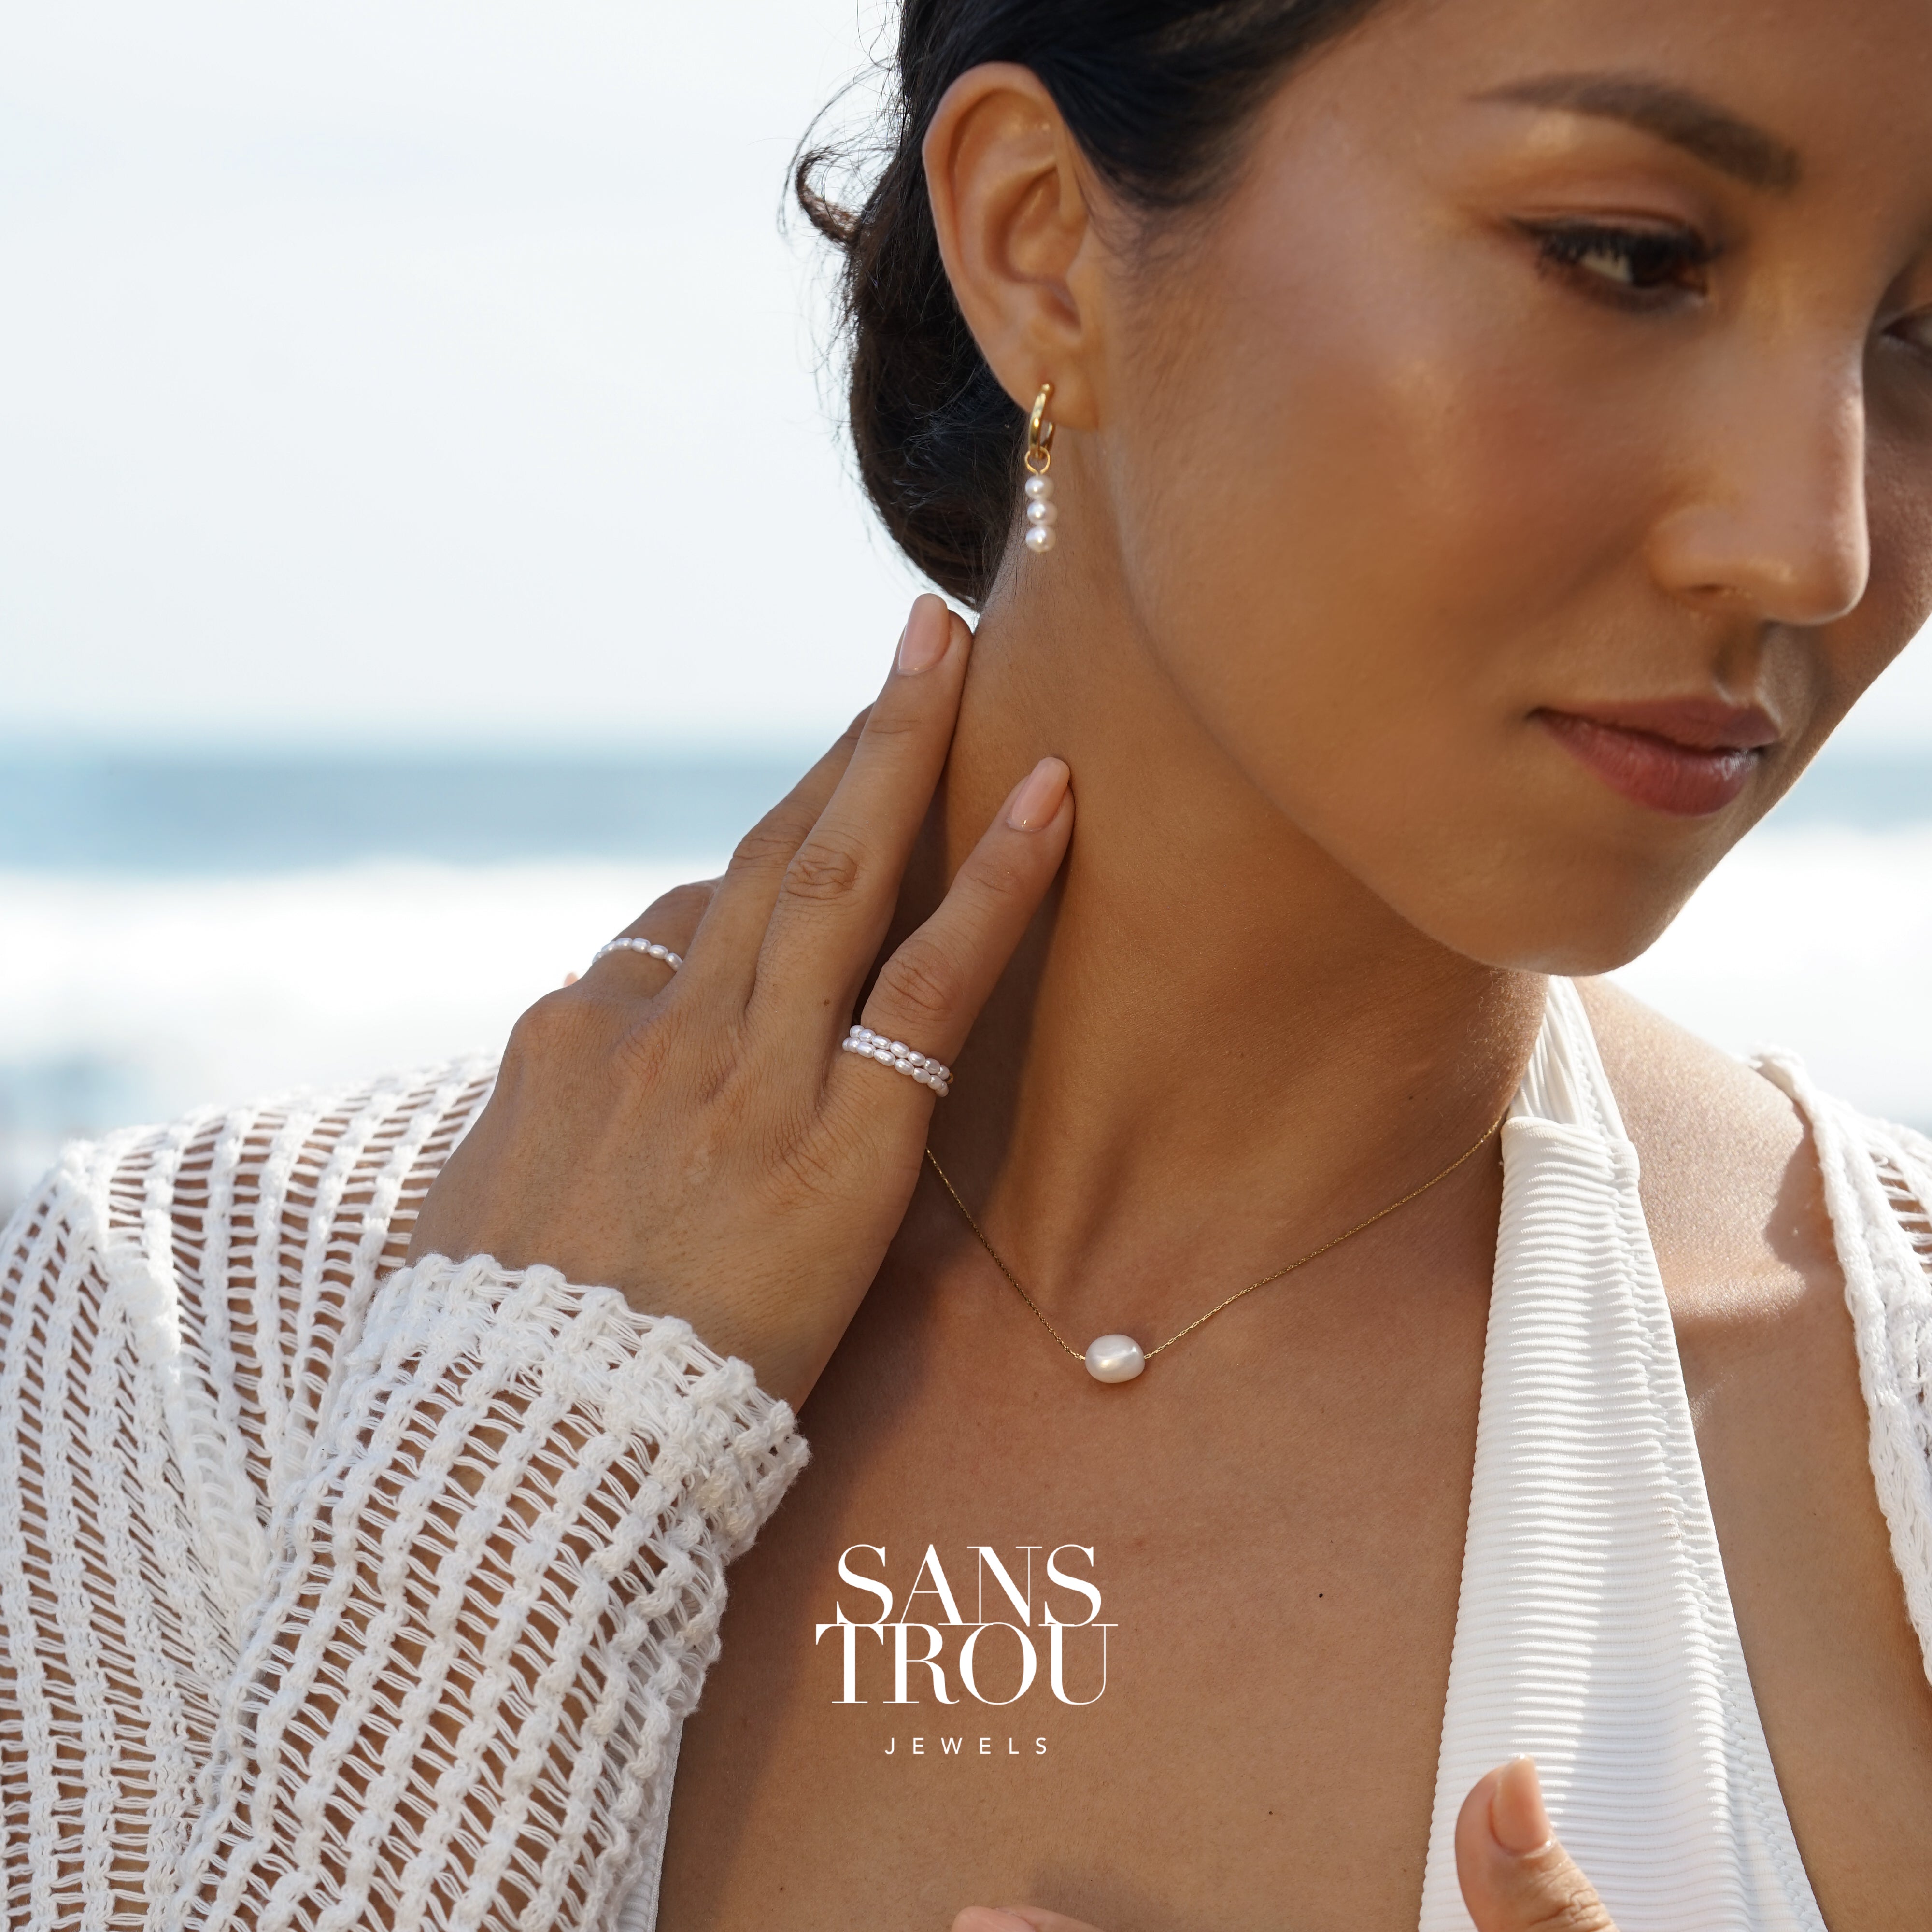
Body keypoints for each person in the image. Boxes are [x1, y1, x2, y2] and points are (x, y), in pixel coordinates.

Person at [5, 0, 1932, 1925]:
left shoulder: (1887, 1425)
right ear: (1039, 237)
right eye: (1629, 262)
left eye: (1924, 338)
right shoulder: (181, 1364)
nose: (1815, 546)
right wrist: (526, 1480)